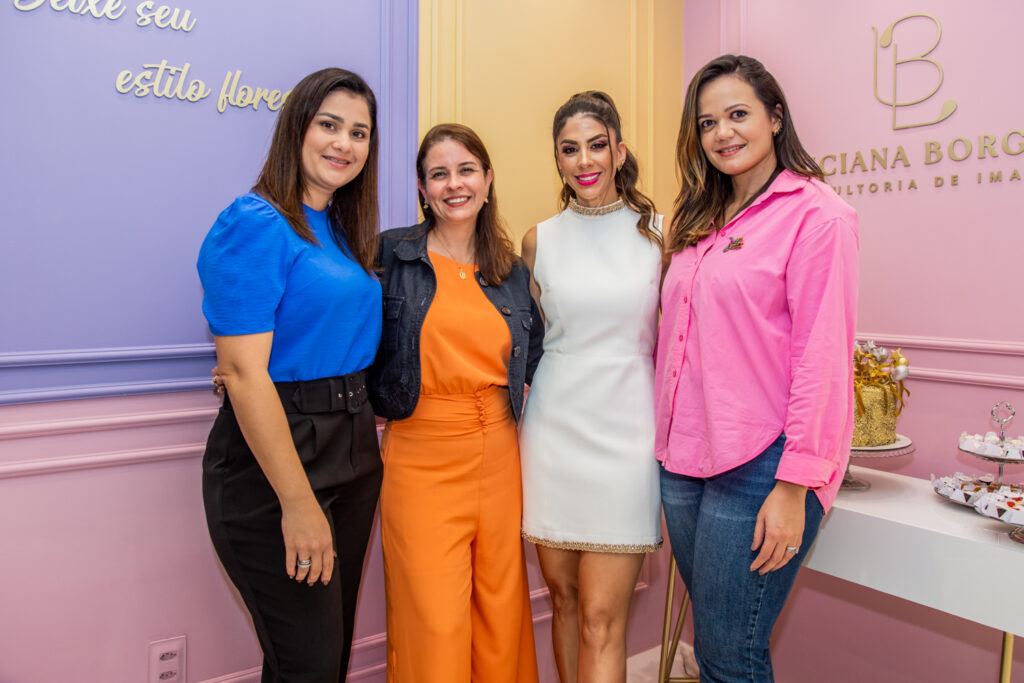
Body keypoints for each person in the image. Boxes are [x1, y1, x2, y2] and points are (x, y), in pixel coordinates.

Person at [656, 54, 858, 683]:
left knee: (729, 656)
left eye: (738, 114)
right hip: (683, 460)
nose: (723, 132)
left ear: (775, 117)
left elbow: (822, 357)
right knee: (718, 638)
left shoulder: (817, 215)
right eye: (708, 121)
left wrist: (795, 485)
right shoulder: (697, 221)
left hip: (761, 467)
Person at [197, 68, 384, 683]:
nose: (344, 143)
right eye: (329, 125)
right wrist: (298, 504)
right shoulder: (253, 222)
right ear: (297, 128)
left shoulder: (343, 229)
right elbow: (246, 374)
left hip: (353, 450)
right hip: (275, 463)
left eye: (359, 132)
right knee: (307, 664)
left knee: (325, 660)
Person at [369, 123, 543, 683]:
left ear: (488, 181)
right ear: (422, 189)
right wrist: (245, 365)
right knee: (434, 622)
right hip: (420, 452)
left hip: (499, 450)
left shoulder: (511, 271)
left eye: (466, 170)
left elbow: (538, 355)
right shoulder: (391, 255)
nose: (454, 184)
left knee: (500, 612)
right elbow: (339, 325)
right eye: (438, 174)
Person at [518, 91, 663, 683]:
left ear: (619, 149)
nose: (585, 160)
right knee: (565, 601)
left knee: (603, 617)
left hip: (628, 435)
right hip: (553, 431)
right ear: (556, 159)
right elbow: (531, 341)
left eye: (597, 145)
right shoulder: (538, 241)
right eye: (569, 149)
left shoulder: (661, 234)